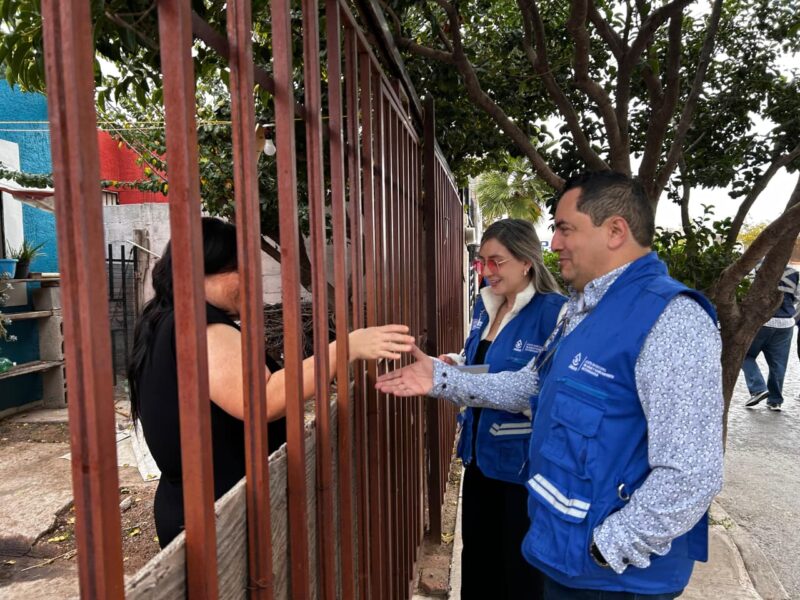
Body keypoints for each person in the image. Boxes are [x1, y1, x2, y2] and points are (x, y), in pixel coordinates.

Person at [377, 171, 723, 599]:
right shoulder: (581, 312)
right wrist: (443, 377)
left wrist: (607, 546)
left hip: (615, 578)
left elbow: (692, 471)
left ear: (615, 230)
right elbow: (530, 385)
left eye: (564, 228)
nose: (554, 243)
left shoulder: (672, 320)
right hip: (561, 553)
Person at [128, 217, 414, 548]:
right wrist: (344, 348)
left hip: (201, 506)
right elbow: (260, 400)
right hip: (220, 516)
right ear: (203, 271)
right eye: (240, 270)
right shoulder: (200, 326)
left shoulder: (164, 320)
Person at [442, 219, 565, 599]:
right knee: (478, 565)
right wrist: (456, 368)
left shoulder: (555, 314)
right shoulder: (485, 306)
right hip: (479, 462)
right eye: (482, 262)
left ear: (527, 261)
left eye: (497, 261)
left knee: (518, 575)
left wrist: (445, 380)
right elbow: (488, 371)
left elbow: (536, 390)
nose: (487, 271)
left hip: (524, 474)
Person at [743, 263, 799, 411]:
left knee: (744, 354)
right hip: (786, 324)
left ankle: (758, 388)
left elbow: (747, 293)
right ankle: (775, 401)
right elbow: (796, 298)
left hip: (761, 321)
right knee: (778, 364)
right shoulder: (793, 272)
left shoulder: (757, 268)